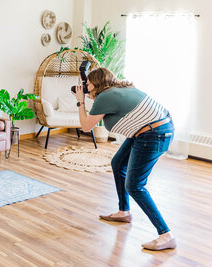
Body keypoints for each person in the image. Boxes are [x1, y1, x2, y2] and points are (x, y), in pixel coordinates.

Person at [73, 67, 176, 251]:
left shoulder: (105, 97)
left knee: (135, 185)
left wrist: (80, 102)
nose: (86, 88)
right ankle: (124, 211)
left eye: (87, 84)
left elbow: (86, 126)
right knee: (118, 163)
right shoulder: (118, 91)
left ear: (97, 84)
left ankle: (166, 235)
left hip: (152, 134)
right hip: (156, 129)